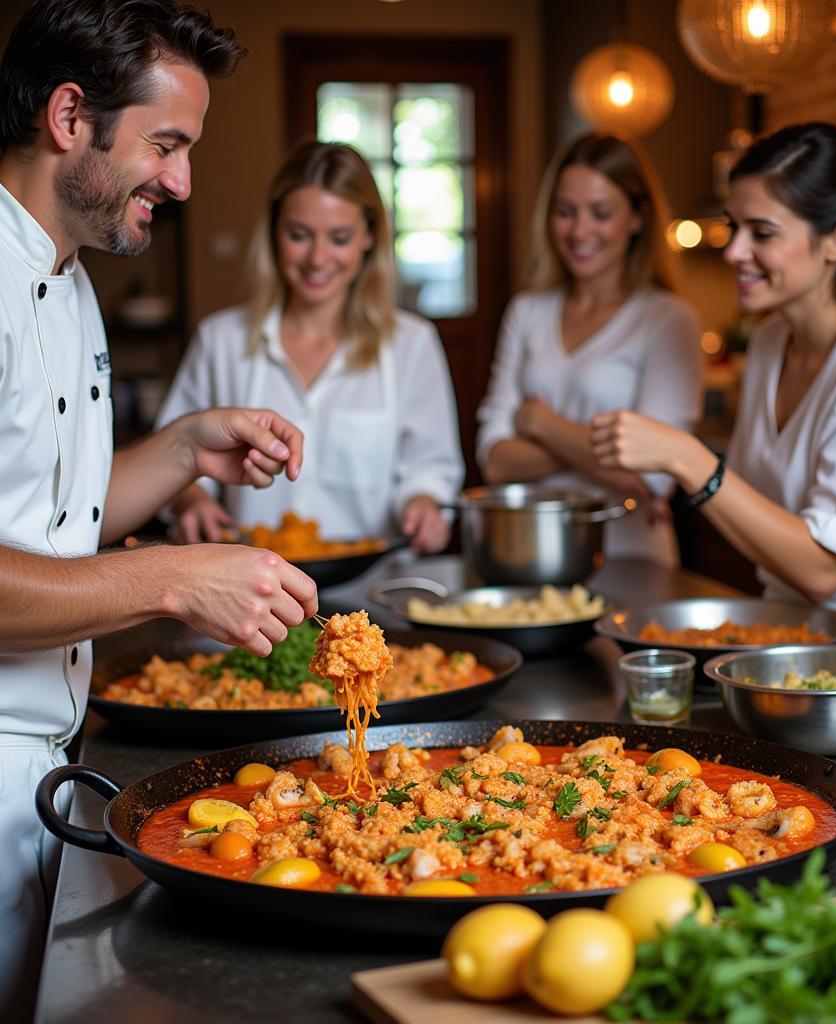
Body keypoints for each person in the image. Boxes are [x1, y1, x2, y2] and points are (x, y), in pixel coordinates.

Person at [0, 3, 319, 1019]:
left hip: (49, 757)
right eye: (167, 145)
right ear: (68, 117)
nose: (180, 182)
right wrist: (176, 577)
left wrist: (184, 446)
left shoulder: (71, 275)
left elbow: (56, 520)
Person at [592, 122, 836, 690]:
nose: (734, 250)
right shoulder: (770, 342)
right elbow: (761, 519)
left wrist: (685, 458)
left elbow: (822, 569)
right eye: (733, 226)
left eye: (761, 232)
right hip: (791, 645)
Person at [156, 140, 464, 553]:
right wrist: (191, 499)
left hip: (372, 599)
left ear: (369, 236)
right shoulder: (220, 340)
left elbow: (431, 468)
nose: (318, 259)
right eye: (300, 235)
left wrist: (424, 504)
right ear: (274, 232)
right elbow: (172, 456)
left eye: (339, 238)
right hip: (247, 600)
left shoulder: (412, 343)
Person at [476, 132, 703, 567]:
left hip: (633, 556)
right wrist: (610, 456)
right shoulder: (527, 311)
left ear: (637, 217)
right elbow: (495, 460)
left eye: (601, 213)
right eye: (566, 212)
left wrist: (542, 424)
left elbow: (653, 476)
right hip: (529, 552)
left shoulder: (669, 320)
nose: (580, 230)